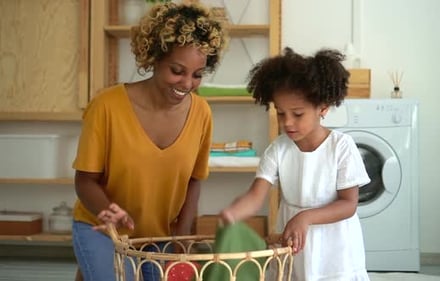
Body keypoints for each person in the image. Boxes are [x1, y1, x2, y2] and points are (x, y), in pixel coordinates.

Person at [71, 2, 227, 281]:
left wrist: (182, 240)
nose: (187, 83)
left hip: (159, 236)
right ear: (154, 58)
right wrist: (108, 213)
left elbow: (194, 181)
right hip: (103, 228)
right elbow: (85, 181)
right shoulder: (107, 105)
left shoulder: (202, 113)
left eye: (197, 74)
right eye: (177, 70)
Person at [220, 47, 371, 281]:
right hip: (294, 243)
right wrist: (233, 213)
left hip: (335, 249)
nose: (287, 122)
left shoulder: (341, 147)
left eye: (297, 114)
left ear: (323, 107)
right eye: (281, 113)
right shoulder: (278, 149)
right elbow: (255, 196)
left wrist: (306, 217)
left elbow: (348, 204)